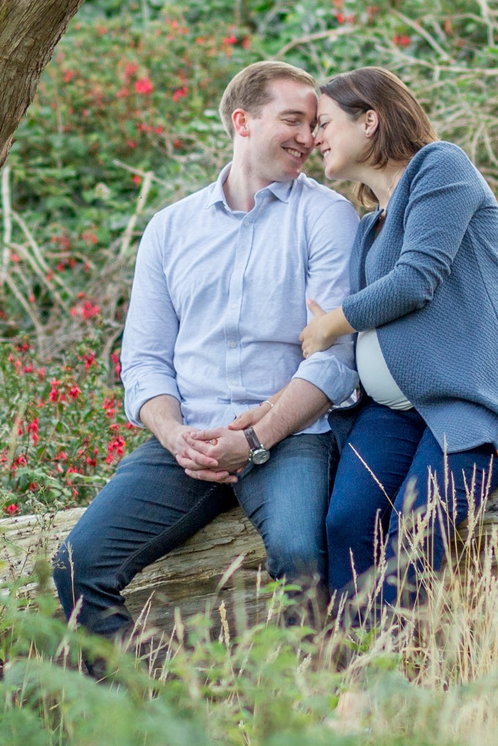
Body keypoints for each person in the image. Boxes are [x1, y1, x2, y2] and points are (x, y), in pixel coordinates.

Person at [53, 60, 360, 641]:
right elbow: (143, 361)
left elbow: (334, 362)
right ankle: (133, 721)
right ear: (242, 121)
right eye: (292, 119)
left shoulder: (326, 217)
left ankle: (317, 715)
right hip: (185, 442)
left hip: (288, 438)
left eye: (313, 123)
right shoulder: (171, 228)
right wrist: (174, 435)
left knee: (301, 555)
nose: (308, 136)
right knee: (78, 564)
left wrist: (252, 440)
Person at [297, 66, 498, 621]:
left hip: (468, 402)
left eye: (324, 123)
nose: (314, 139)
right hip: (394, 414)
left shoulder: (439, 166)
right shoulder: (370, 221)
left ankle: (397, 678)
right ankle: (355, 670)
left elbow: (415, 280)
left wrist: (330, 325)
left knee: (419, 521)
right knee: (346, 521)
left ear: (370, 120)